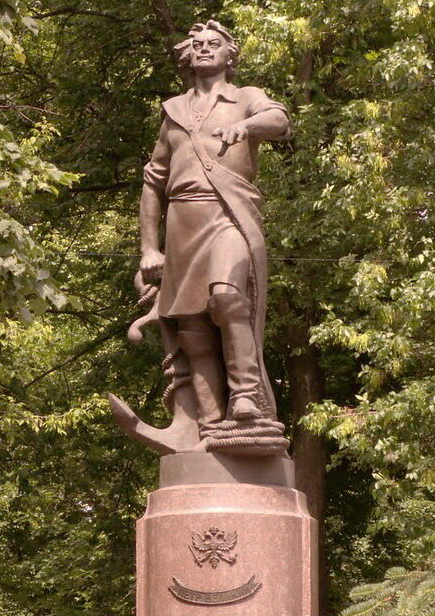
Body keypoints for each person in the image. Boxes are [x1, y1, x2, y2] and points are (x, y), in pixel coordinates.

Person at [125, 19, 291, 454]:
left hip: (229, 217)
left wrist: (247, 128)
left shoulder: (245, 97)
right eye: (196, 45)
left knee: (226, 297)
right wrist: (148, 248)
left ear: (229, 55)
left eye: (213, 44)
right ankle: (211, 423)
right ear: (187, 56)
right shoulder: (174, 111)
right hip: (183, 223)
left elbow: (278, 118)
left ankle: (246, 397)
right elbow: (153, 180)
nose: (203, 50)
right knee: (192, 327)